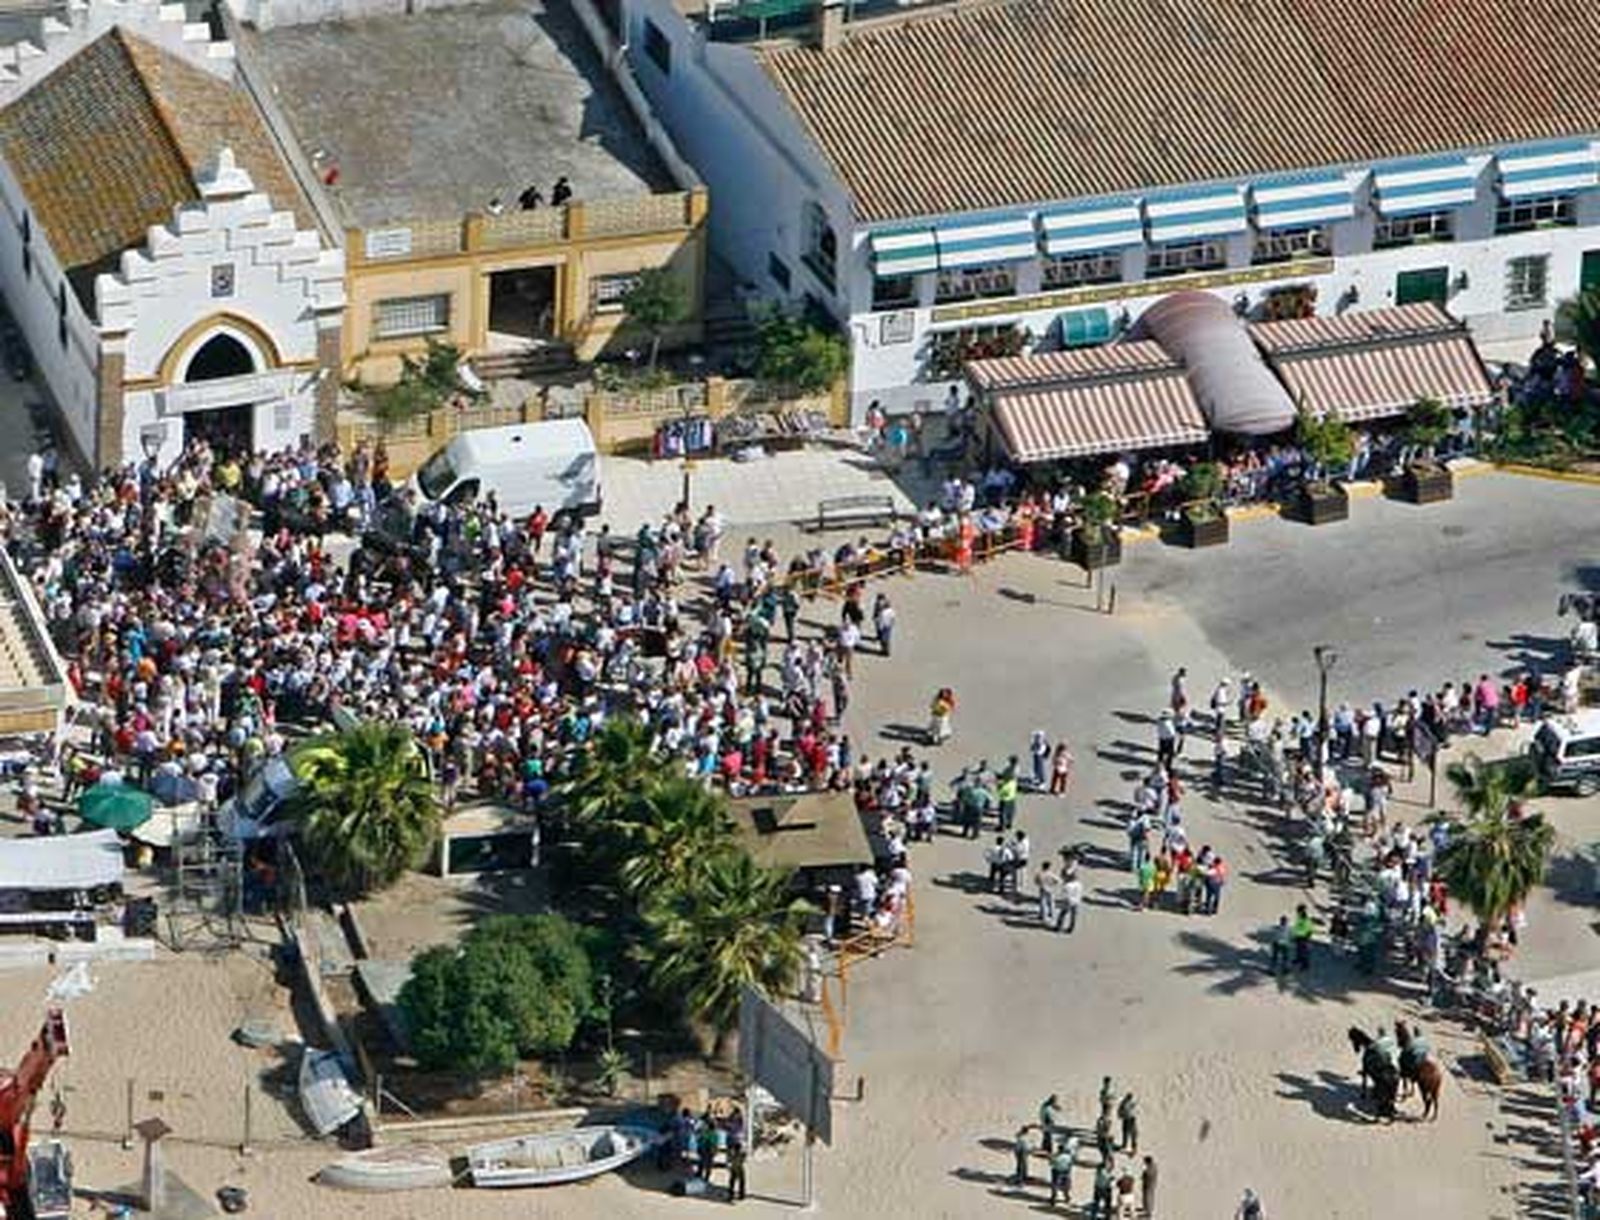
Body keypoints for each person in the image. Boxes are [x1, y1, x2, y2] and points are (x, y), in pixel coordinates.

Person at [1048, 1136, 1077, 1208]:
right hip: (1066, 1172)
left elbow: (1051, 1163)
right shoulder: (1068, 1157)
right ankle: (1067, 1198)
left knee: (1055, 1186)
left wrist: (1051, 1157)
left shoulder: (1056, 1157)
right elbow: (1071, 1164)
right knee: (1066, 1187)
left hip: (1057, 1172)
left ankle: (1053, 1199)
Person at [1292, 903, 1315, 972]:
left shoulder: (1305, 918)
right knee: (1298, 950)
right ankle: (1299, 959)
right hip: (1298, 936)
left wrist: (1307, 937)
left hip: (1304, 937)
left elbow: (1310, 928)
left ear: (1302, 910)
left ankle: (1305, 965)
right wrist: (1294, 933)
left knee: (1304, 952)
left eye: (1298, 910)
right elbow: (1297, 926)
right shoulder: (1299, 917)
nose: (1297, 912)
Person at [725, 1133, 746, 1202]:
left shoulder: (731, 1149)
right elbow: (744, 1156)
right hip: (739, 1166)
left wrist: (728, 1164)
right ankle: (741, 1195)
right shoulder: (739, 1149)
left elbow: (729, 1158)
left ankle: (731, 1195)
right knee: (740, 1180)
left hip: (734, 1166)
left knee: (733, 1181)